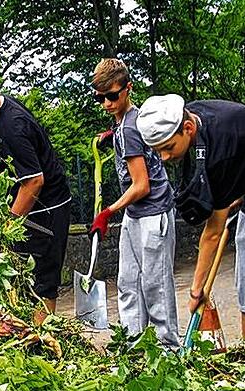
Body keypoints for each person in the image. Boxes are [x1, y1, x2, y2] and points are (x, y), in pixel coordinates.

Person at [136, 94, 245, 361]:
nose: (163, 157)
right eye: (157, 150)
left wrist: (197, 288)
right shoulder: (190, 117)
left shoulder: (223, 151)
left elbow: (214, 233)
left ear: (187, 129)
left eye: (168, 148)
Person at [0, 76, 72, 326]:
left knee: (41, 280)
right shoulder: (3, 107)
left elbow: (34, 181)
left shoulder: (13, 126)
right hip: (36, 208)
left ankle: (42, 340)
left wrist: (8, 227)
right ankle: (27, 335)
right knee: (22, 279)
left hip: (47, 211)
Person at [88, 59, 179, 348]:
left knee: (155, 285)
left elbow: (141, 185)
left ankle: (168, 350)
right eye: (100, 97)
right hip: (136, 214)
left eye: (113, 96)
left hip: (153, 213)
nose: (106, 103)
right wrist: (112, 136)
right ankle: (133, 344)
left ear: (128, 88)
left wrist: (108, 211)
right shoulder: (131, 121)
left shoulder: (129, 128)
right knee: (128, 282)